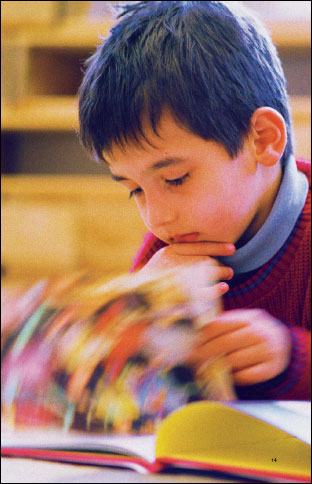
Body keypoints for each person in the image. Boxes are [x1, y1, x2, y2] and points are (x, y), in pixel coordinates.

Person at [78, 1, 311, 400]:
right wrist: (137, 314)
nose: (157, 218)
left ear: (263, 140)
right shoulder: (167, 253)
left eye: (175, 178)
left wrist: (293, 358)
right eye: (135, 189)